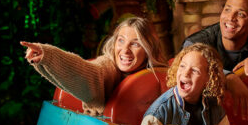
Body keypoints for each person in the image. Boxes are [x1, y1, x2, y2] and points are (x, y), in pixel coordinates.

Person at [21, 16, 165, 116]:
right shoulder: (107, 66)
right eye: (121, 41)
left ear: (148, 50)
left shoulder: (159, 75)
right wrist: (49, 56)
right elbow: (86, 73)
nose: (125, 50)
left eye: (135, 44)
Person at [141, 43, 231, 125]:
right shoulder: (158, 112)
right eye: (182, 66)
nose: (186, 73)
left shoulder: (215, 107)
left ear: (208, 79)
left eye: (195, 70)